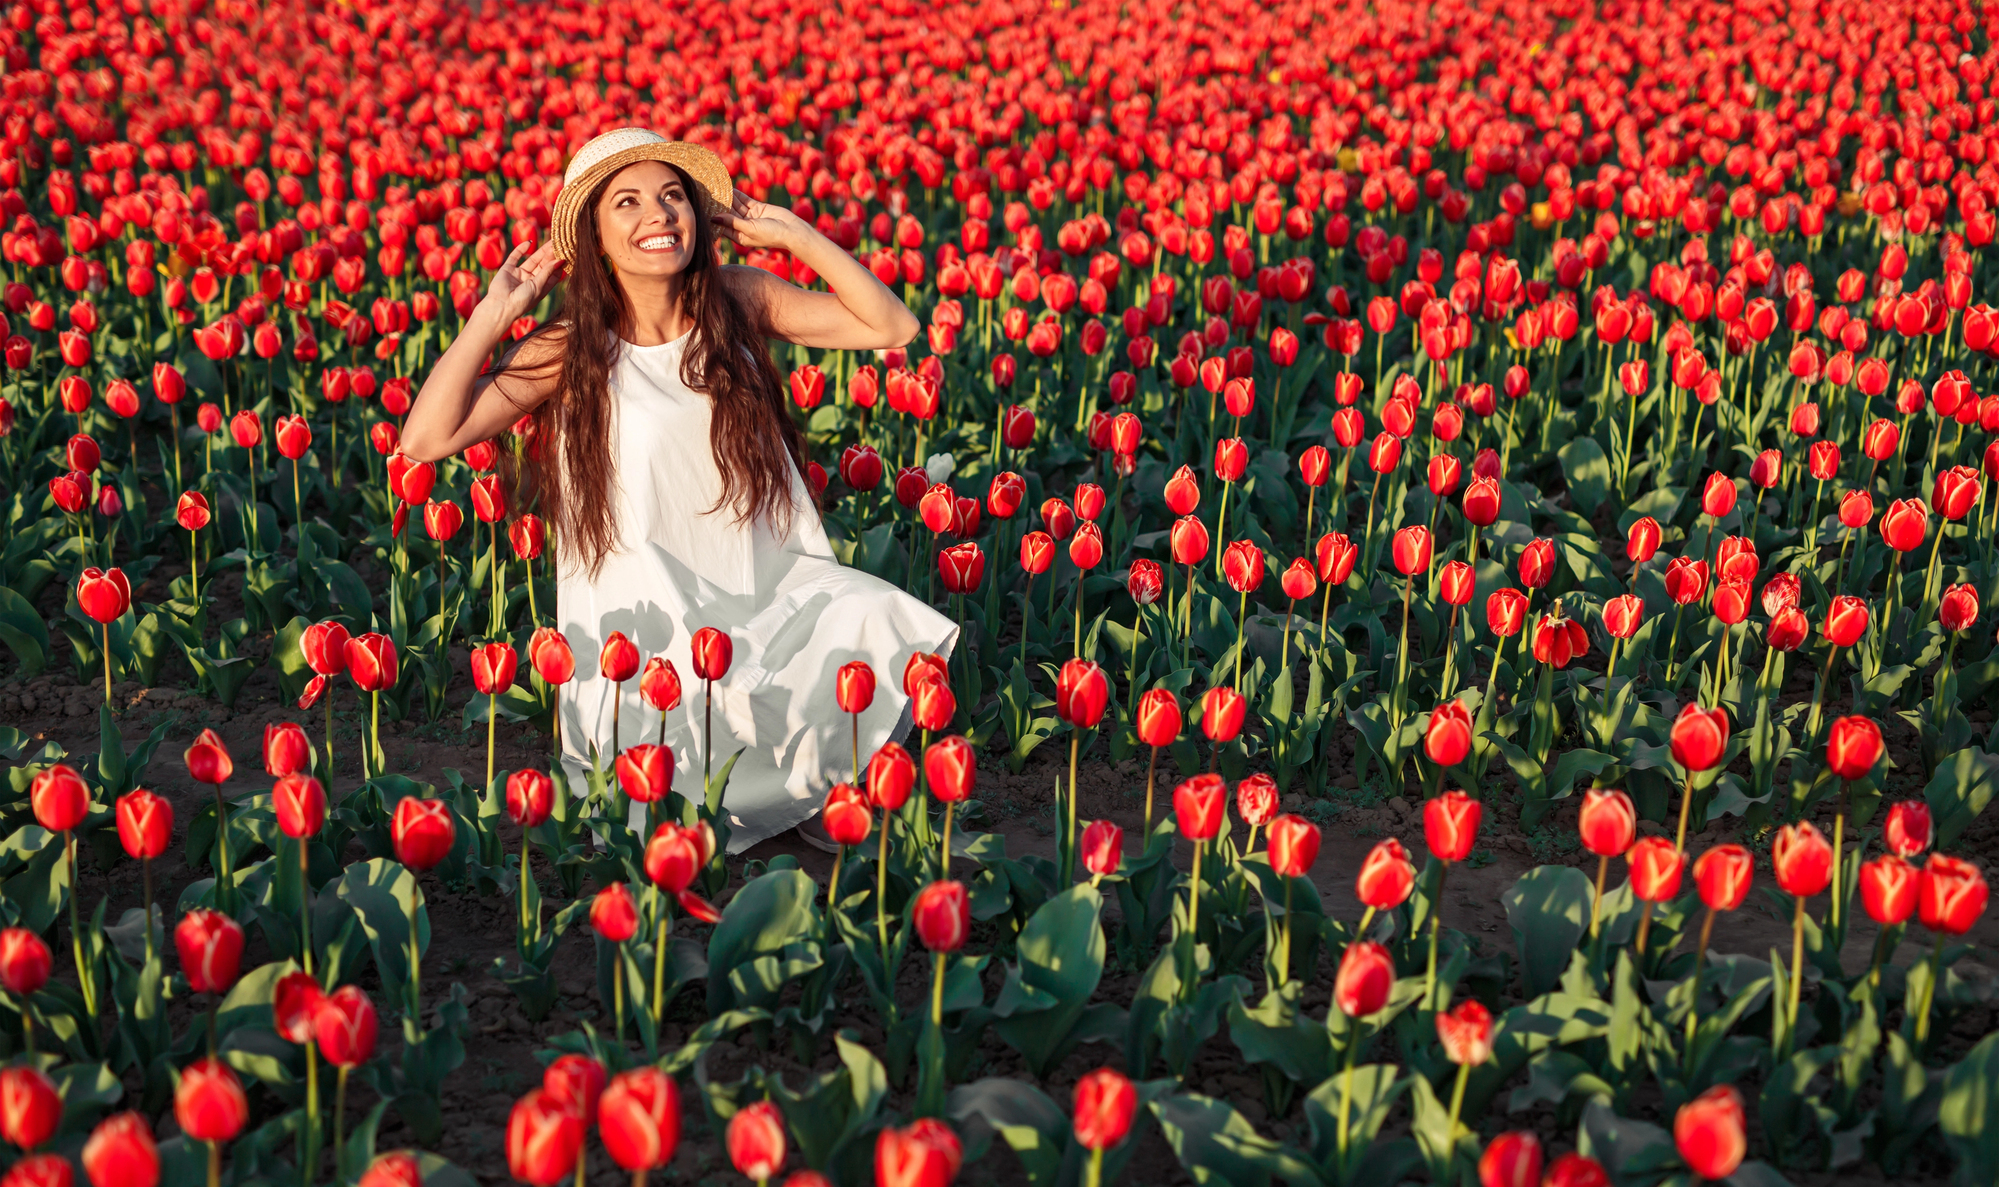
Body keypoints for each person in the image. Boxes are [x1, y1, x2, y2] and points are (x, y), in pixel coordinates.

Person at [402, 127, 955, 851]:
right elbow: (425, 439)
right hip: (648, 638)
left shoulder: (740, 301)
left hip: (762, 595)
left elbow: (894, 324)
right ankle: (775, 778)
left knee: (874, 614)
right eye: (627, 203)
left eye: (672, 197)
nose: (657, 216)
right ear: (596, 238)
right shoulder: (570, 349)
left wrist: (790, 233)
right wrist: (494, 315)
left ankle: (789, 770)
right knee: (667, 774)